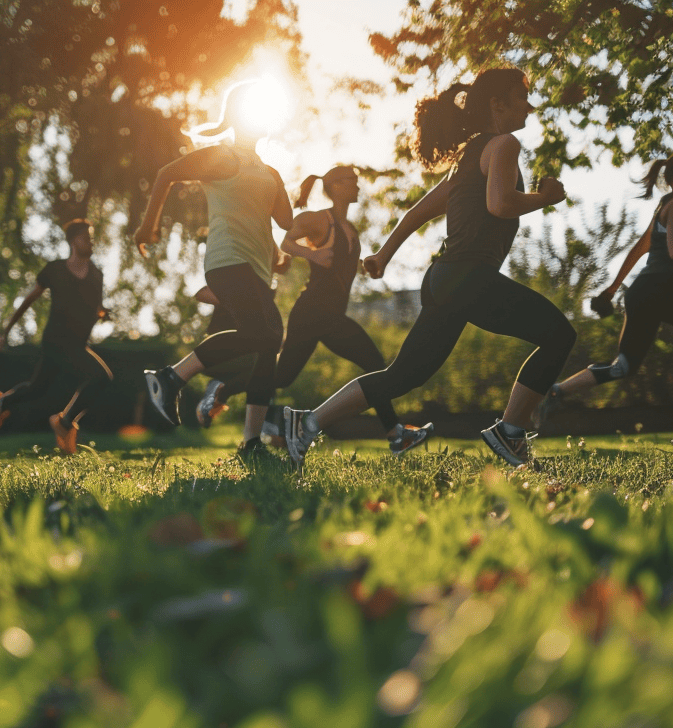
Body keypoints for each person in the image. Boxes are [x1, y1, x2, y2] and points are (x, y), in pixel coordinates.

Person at [284, 68, 574, 469]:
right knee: (559, 334)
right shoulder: (504, 144)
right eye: (522, 97)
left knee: (404, 375)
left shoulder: (468, 158)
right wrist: (545, 196)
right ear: (497, 105)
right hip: (469, 277)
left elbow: (416, 212)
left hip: (444, 279)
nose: (530, 105)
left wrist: (383, 256)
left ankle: (307, 423)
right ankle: (510, 432)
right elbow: (500, 205)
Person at [135, 79, 295, 460]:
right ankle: (171, 377)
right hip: (226, 260)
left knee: (269, 343)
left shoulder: (269, 172)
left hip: (256, 268)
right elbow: (166, 175)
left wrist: (277, 250)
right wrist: (147, 224)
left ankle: (251, 444)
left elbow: (283, 219)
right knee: (263, 335)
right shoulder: (222, 157)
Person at [546, 151, 673, 420]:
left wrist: (612, 289)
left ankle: (556, 391)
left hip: (641, 292)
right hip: (661, 286)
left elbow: (642, 250)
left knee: (623, 366)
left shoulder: (662, 208)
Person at [196, 166, 392, 448]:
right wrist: (311, 253)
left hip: (328, 313)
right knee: (375, 365)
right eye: (353, 182)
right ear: (336, 186)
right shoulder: (318, 220)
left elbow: (340, 268)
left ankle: (224, 389)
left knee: (283, 376)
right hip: (314, 311)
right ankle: (395, 433)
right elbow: (286, 240)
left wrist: (366, 266)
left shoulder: (350, 228)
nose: (358, 187)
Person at [0, 219, 113, 455]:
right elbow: (28, 300)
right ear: (74, 241)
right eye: (87, 238)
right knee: (101, 377)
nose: (91, 243)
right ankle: (63, 423)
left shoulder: (96, 275)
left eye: (92, 239)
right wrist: (4, 333)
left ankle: (2, 402)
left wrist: (102, 314)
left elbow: (96, 306)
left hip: (78, 343)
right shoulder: (55, 270)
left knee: (37, 388)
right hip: (56, 341)